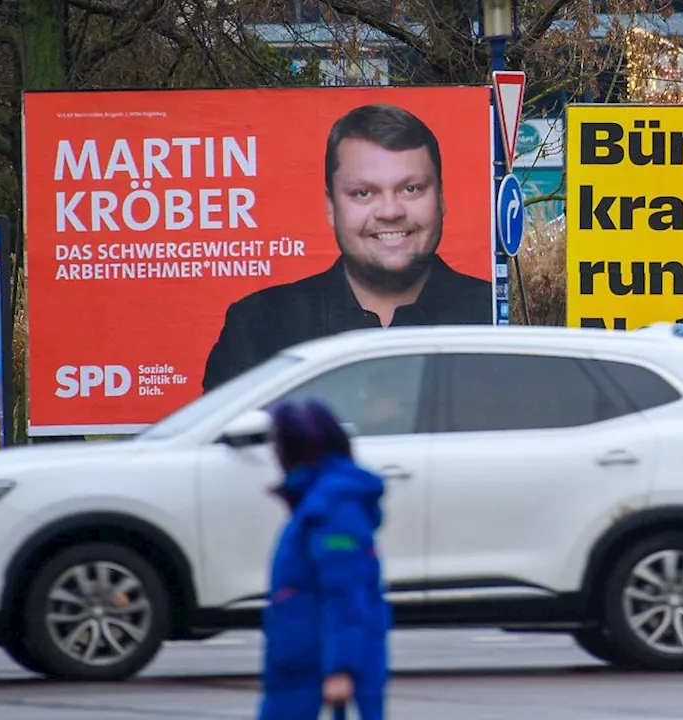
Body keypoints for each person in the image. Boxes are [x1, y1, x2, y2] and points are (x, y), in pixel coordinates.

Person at [204, 103, 493, 392]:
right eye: (363, 193)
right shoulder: (260, 325)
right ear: (331, 207)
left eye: (411, 189)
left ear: (441, 198)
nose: (390, 212)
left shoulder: (492, 316)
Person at [258, 399, 391, 720]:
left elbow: (345, 591)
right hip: (299, 660)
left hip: (312, 665)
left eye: (277, 441)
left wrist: (340, 669)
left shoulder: (332, 509)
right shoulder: (319, 502)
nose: (273, 452)